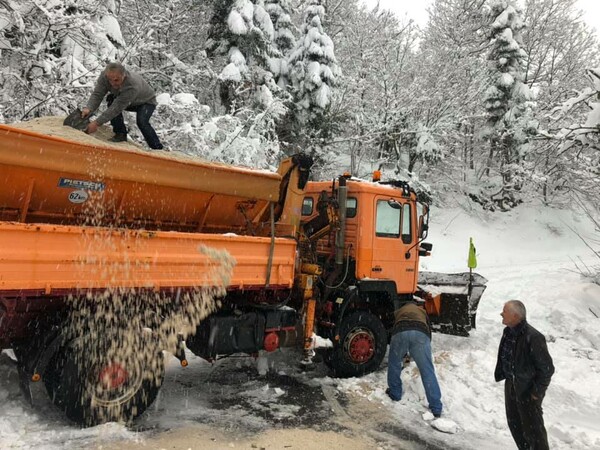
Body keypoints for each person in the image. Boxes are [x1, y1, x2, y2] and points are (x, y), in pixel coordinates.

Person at [495, 300, 554, 450]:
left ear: (515, 315)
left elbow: (547, 369)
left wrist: (536, 393)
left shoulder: (533, 337)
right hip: (511, 385)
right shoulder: (508, 331)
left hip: (527, 390)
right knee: (515, 425)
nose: (501, 314)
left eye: (505, 311)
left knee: (534, 431)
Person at [82, 62, 163, 149]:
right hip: (128, 100)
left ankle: (157, 148)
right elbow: (98, 94)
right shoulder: (105, 76)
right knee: (111, 99)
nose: (113, 83)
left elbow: (116, 108)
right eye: (110, 80)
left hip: (146, 101)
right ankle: (120, 134)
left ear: (124, 76)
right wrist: (89, 108)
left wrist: (97, 123)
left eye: (117, 80)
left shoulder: (132, 85)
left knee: (142, 122)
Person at [386, 300, 443, 418]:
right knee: (427, 370)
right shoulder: (422, 311)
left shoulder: (399, 312)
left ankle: (395, 393)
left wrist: (401, 353)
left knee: (394, 363)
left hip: (400, 331)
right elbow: (428, 331)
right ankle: (436, 407)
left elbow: (392, 330)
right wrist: (423, 351)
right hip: (421, 333)